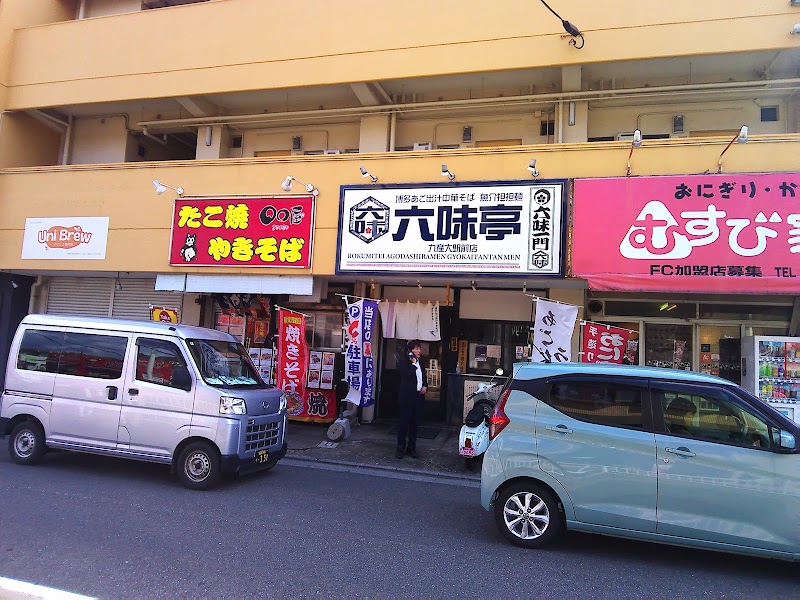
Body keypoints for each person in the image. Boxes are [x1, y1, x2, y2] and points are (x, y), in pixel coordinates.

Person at [396, 339, 427, 459]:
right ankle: (400, 447)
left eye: (419, 348)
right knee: (404, 424)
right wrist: (413, 363)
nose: (419, 351)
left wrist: (425, 385)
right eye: (416, 348)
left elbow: (423, 375)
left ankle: (412, 447)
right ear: (410, 351)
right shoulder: (405, 363)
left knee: (415, 424)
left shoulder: (421, 362)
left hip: (418, 397)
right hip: (407, 397)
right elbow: (407, 375)